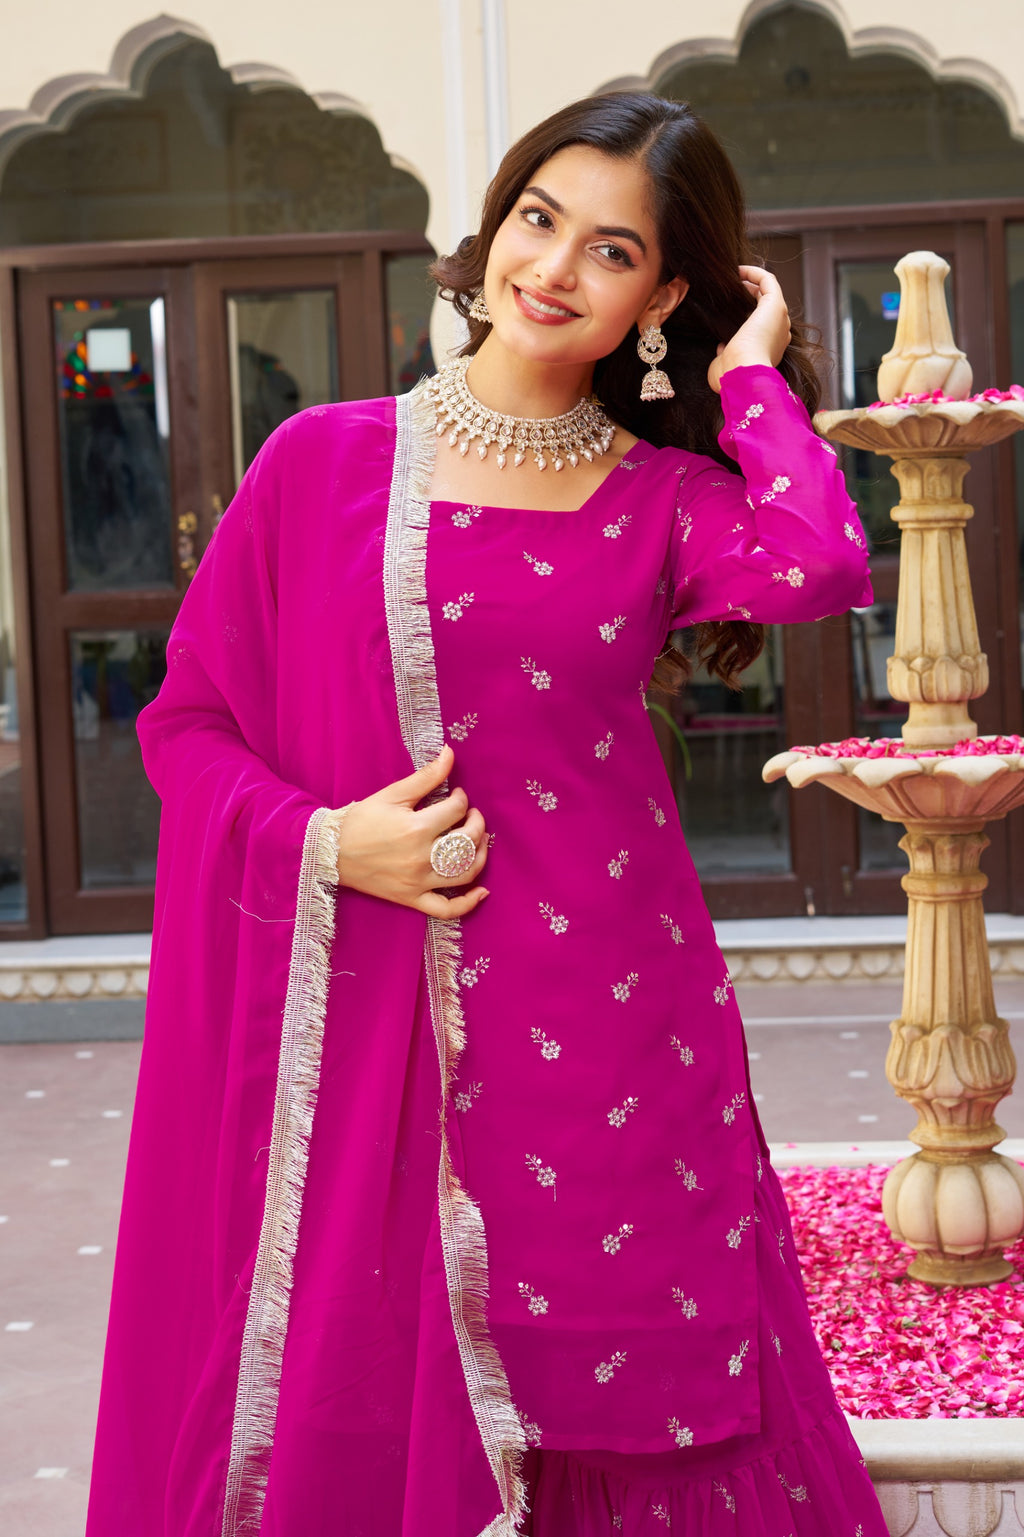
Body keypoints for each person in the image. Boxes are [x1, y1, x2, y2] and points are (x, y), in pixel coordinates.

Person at [86, 93, 887, 1537]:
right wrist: (331, 843)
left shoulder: (661, 498)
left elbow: (822, 563)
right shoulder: (321, 464)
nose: (557, 267)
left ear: (662, 296)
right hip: (387, 1025)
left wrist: (755, 373)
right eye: (540, 218)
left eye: (613, 248)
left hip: (619, 1036)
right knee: (377, 1400)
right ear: (498, 222)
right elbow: (184, 723)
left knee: (642, 1399)